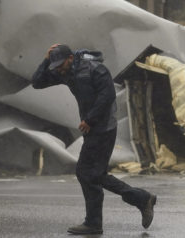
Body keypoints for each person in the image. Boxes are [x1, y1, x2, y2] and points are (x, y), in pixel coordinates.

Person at [32, 43, 156, 235]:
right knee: (90, 174)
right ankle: (105, 217)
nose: (58, 69)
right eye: (55, 66)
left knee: (89, 173)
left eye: (60, 64)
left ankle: (131, 204)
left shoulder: (95, 69)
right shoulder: (65, 72)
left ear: (71, 58)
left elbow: (107, 96)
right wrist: (47, 59)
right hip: (92, 128)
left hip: (104, 127)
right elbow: (37, 82)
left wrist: (90, 119)